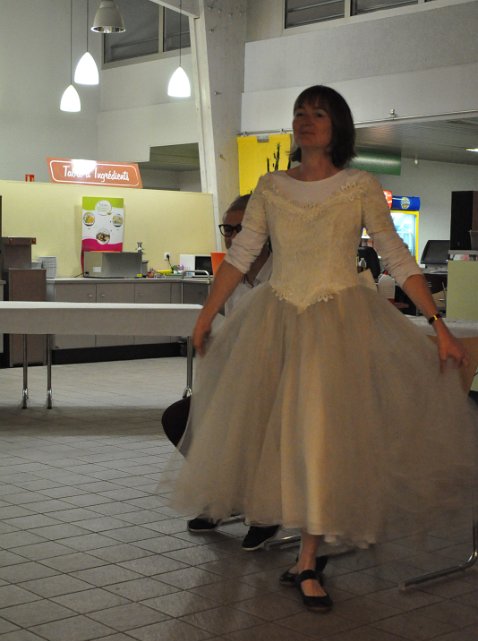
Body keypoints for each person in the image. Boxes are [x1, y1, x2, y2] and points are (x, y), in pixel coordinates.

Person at [168, 85, 477, 612]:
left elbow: (397, 257)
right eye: (300, 113)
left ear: (338, 127)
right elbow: (241, 255)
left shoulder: (359, 186)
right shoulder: (271, 186)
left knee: (323, 436)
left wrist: (438, 324)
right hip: (277, 320)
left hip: (338, 325)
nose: (306, 121)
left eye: (318, 113)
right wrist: (204, 315)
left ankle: (308, 559)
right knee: (279, 433)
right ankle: (295, 545)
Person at [187, 194, 281, 551]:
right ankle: (225, 499)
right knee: (205, 422)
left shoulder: (283, 274)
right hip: (240, 377)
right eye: (228, 229)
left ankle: (266, 512)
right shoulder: (232, 280)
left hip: (277, 379)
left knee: (258, 428)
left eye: (241, 228)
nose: (233, 236)